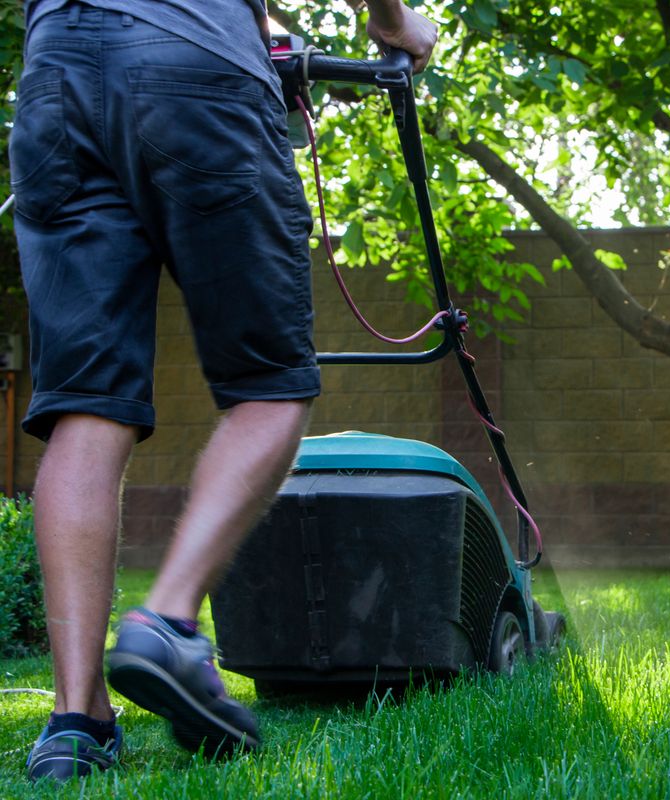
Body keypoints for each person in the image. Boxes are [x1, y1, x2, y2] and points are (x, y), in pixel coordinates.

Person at [12, 0, 437, 782]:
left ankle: (76, 722)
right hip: (196, 70)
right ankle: (166, 623)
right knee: (270, 389)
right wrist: (393, 22)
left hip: (55, 76)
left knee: (84, 407)